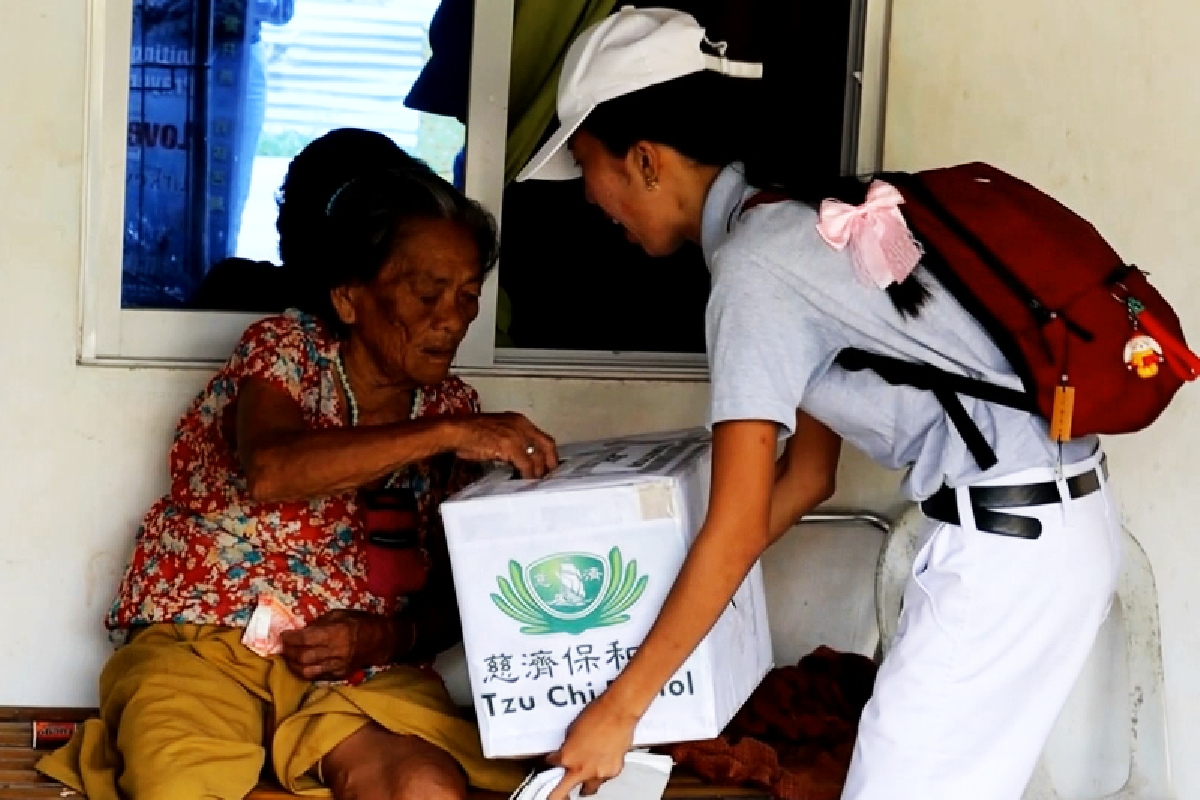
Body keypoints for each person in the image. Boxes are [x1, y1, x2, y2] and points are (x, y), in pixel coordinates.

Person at [516, 8, 1121, 800]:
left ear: (645, 160)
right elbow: (807, 477)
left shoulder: (754, 274)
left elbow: (733, 528)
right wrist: (664, 622)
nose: (592, 200)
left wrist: (620, 709)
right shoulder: (789, 224)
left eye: (589, 166)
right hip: (1049, 530)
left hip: (1008, 549)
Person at [37, 128, 559, 800]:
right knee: (175, 786)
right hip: (202, 648)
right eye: (428, 293)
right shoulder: (287, 351)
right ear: (349, 298)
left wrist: (383, 636)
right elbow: (273, 470)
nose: (453, 319)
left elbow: (461, 599)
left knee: (425, 787)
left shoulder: (454, 406)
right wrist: (446, 432)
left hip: (353, 677)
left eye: (466, 293)